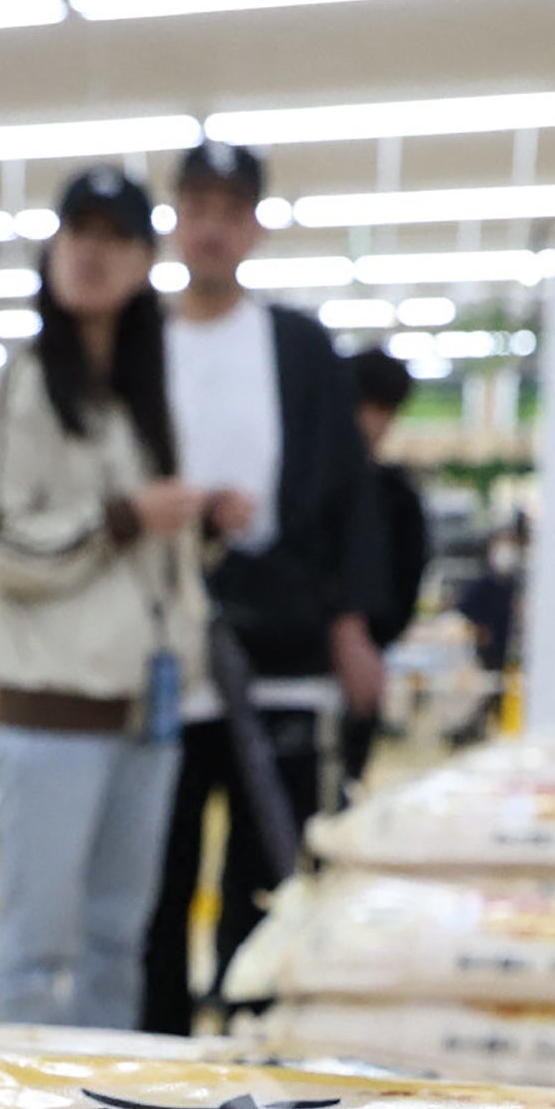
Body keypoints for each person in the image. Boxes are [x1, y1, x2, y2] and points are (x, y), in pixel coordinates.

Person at [137, 140, 386, 1034]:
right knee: (156, 872)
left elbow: (350, 495)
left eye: (229, 210)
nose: (211, 226)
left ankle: (252, 1039)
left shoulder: (298, 346)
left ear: (254, 227)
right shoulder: (139, 342)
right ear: (174, 219)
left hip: (280, 642)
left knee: (268, 863)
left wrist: (353, 627)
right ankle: (152, 1052)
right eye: (195, 206)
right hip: (161, 646)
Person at [0, 167, 206, 1030]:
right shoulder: (22, 384)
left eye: (114, 238)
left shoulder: (141, 398)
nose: (89, 254)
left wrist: (191, 526)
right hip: (53, 710)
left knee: (117, 938)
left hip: (149, 705)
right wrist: (124, 517)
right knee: (36, 944)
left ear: (145, 260)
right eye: (76, 233)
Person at [342, 344, 431, 787]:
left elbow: (408, 580)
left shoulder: (396, 496)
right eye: (368, 407)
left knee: (344, 783)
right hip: (310, 666)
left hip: (364, 661)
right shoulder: (310, 486)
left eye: (385, 410)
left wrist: (374, 640)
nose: (374, 423)